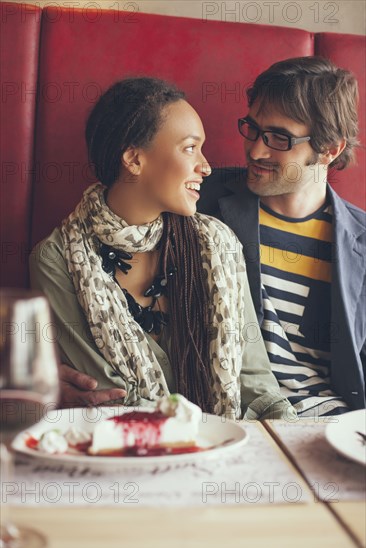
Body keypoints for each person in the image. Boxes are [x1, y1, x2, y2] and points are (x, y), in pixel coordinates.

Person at [30, 77, 296, 420]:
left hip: (225, 452)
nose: (206, 166)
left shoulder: (219, 244)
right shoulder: (56, 260)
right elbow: (112, 397)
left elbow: (257, 387)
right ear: (134, 159)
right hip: (125, 456)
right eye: (190, 148)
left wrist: (294, 445)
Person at [199, 56, 366, 416]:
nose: (257, 150)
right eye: (254, 129)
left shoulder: (361, 245)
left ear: (330, 150)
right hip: (231, 418)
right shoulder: (200, 195)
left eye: (280, 138)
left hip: (331, 429)